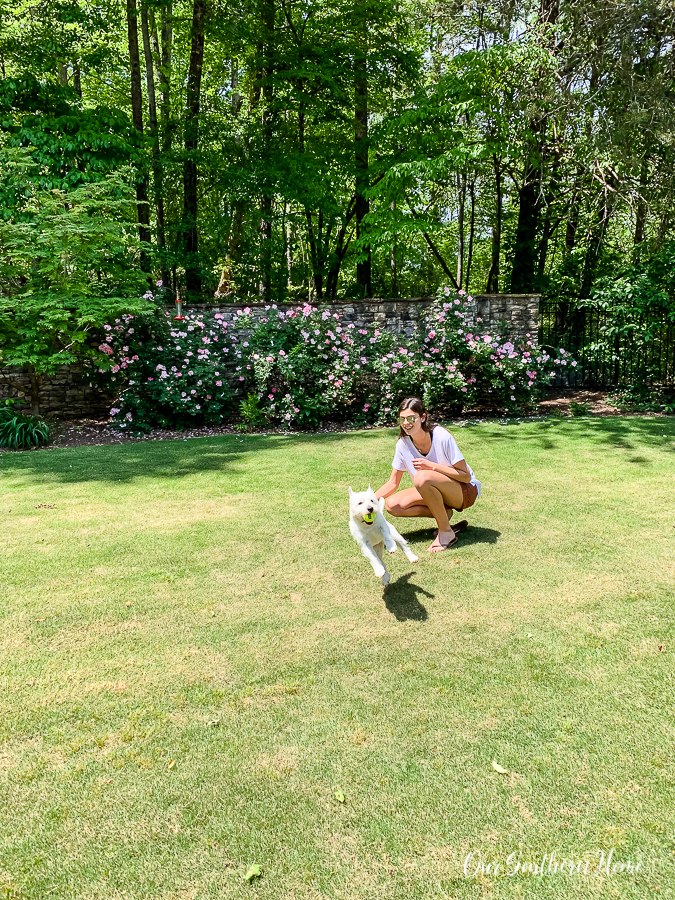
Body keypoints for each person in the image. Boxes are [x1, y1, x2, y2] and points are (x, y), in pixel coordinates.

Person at [374, 397, 481, 553]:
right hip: (437, 491)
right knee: (393, 505)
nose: (406, 423)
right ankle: (444, 515)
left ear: (422, 417)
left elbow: (465, 476)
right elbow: (392, 483)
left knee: (422, 477)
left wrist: (432, 466)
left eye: (411, 418)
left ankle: (446, 533)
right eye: (402, 419)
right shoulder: (403, 444)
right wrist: (367, 503)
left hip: (465, 491)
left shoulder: (441, 436)